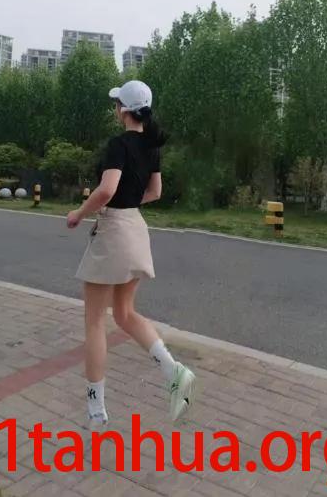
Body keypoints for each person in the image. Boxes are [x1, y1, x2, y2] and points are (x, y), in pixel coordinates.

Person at [67, 80, 196, 428]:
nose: (115, 109)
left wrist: (79, 213)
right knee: (124, 313)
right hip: (136, 228)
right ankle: (174, 371)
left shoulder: (118, 144)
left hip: (113, 231)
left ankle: (96, 411)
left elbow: (106, 190)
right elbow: (155, 192)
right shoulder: (152, 147)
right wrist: (127, 202)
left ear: (123, 110)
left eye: (116, 104)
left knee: (95, 321)